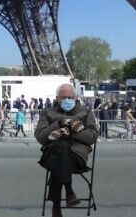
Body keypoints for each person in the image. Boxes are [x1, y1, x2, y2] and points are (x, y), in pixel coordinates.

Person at [35, 84, 98, 217]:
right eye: (64, 97)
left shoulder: (85, 112)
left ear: (75, 98)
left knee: (58, 158)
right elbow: (41, 137)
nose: (67, 100)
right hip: (51, 152)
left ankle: (56, 207)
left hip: (76, 156)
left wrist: (69, 131)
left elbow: (92, 137)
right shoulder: (47, 112)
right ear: (57, 98)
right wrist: (58, 124)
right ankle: (69, 192)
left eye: (70, 97)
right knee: (61, 148)